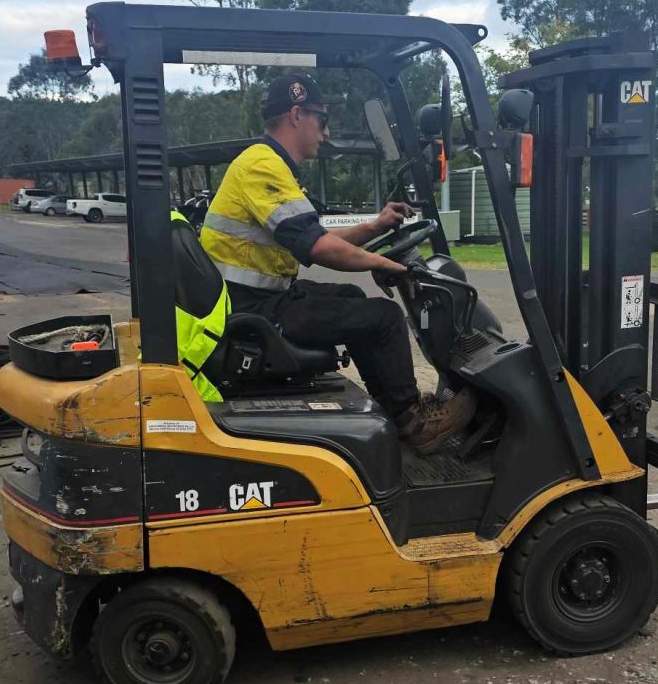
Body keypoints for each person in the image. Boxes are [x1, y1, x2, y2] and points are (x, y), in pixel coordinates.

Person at [200, 72, 475, 455]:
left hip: (255, 301)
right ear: (297, 115)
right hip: (249, 312)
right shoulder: (262, 168)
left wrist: (375, 226)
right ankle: (414, 421)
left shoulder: (268, 166)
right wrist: (387, 264)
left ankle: (396, 412)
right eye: (321, 120)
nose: (325, 133)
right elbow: (318, 249)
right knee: (385, 317)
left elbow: (316, 237)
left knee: (350, 295)